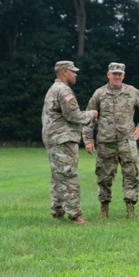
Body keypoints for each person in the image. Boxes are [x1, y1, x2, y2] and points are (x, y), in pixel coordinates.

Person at [82, 62, 139, 219]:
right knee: (104, 176)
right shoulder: (99, 94)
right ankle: (104, 209)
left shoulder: (132, 92)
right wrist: (88, 140)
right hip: (105, 142)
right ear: (108, 75)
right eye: (114, 73)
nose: (117, 76)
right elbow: (89, 117)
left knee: (131, 174)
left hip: (127, 141)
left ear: (124, 75)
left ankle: (130, 209)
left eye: (120, 74)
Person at [42, 60, 97, 224]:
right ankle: (75, 215)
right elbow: (73, 115)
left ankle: (57, 212)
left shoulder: (53, 89)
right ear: (64, 72)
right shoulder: (64, 91)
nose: (75, 74)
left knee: (57, 176)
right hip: (63, 138)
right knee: (68, 175)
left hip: (53, 139)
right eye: (73, 71)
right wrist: (91, 114)